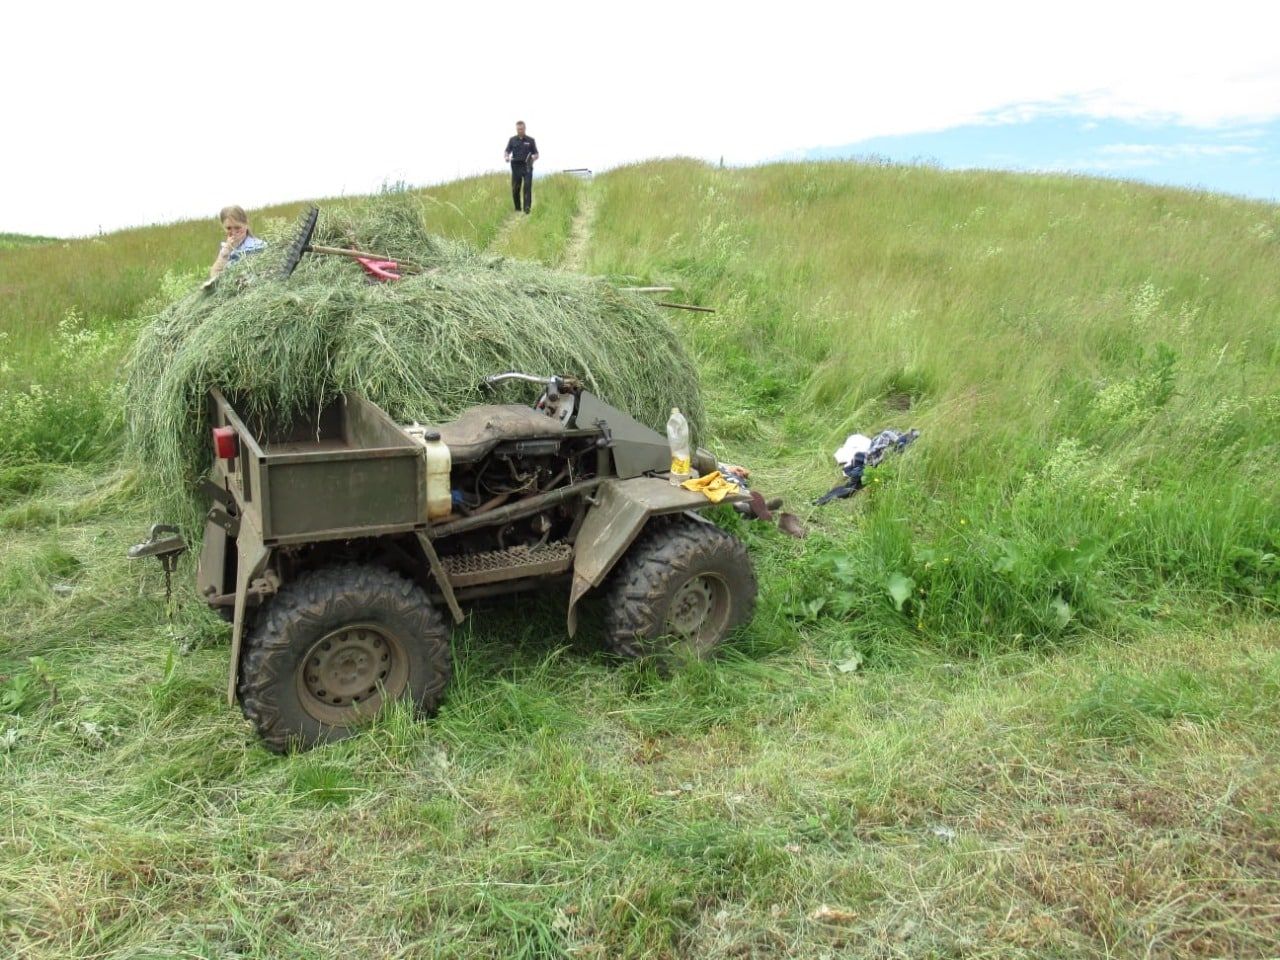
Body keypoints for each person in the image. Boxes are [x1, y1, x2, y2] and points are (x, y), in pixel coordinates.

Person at [208, 205, 266, 280]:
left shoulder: (259, 246)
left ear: (246, 224)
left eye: (237, 227)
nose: (233, 232)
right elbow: (214, 276)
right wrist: (226, 251)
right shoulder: (225, 248)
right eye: (229, 228)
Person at [503, 121, 539, 214]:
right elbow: (507, 151)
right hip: (516, 166)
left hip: (527, 166)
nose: (520, 131)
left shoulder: (531, 140)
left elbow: (536, 154)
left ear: (525, 128)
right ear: (516, 129)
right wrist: (506, 157)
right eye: (518, 129)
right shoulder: (512, 140)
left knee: (527, 186)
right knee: (515, 188)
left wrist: (533, 157)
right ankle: (518, 209)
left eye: (522, 129)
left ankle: (527, 209)